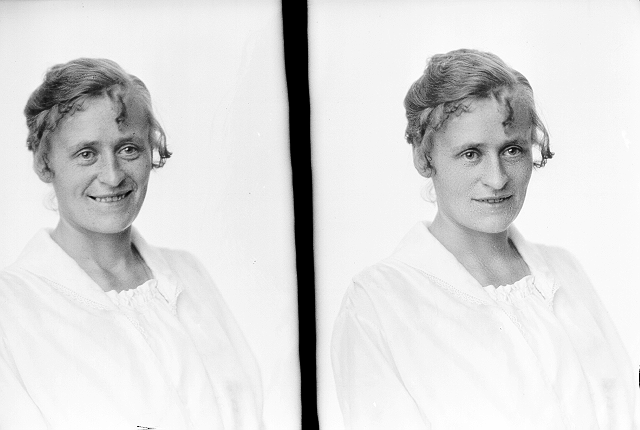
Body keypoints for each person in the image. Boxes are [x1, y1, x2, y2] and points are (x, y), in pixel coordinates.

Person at [331, 49, 640, 429]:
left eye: (512, 150)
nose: (497, 179)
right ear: (424, 158)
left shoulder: (564, 270)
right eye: (471, 154)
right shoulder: (378, 302)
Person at [0, 58, 263, 429]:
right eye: (86, 154)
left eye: (128, 149)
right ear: (45, 165)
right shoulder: (11, 311)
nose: (112, 177)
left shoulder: (188, 274)